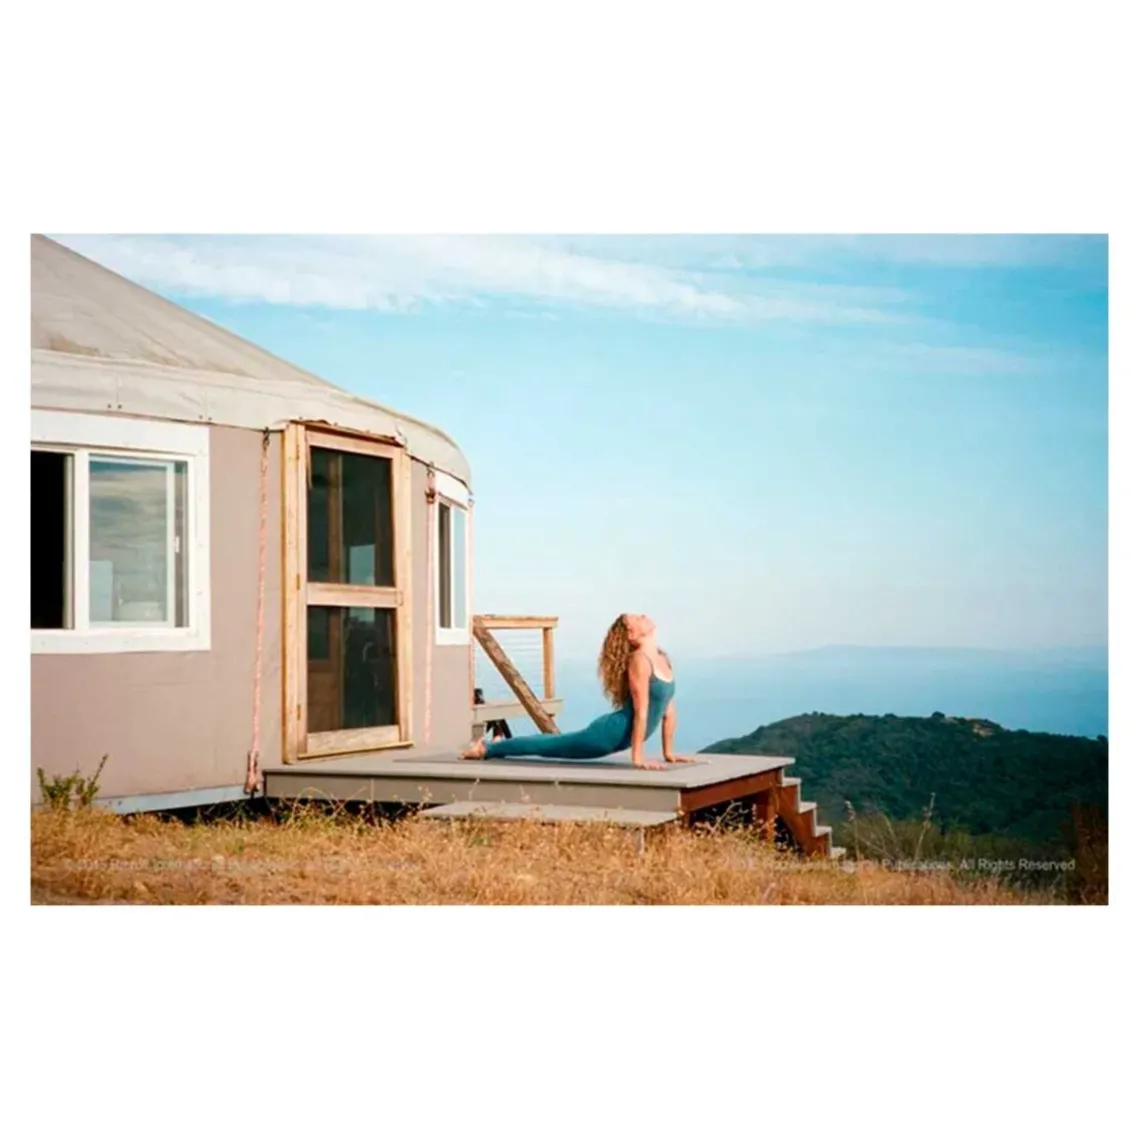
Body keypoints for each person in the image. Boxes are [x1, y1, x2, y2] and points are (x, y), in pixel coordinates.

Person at [459, 613, 692, 769]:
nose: (643, 615)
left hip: (618, 735)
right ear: (632, 635)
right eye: (637, 618)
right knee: (551, 746)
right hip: (608, 735)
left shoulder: (662, 659)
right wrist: (638, 758)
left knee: (554, 742)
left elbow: (668, 710)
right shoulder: (639, 661)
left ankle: (496, 744)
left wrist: (669, 753)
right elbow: (641, 712)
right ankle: (487, 748)